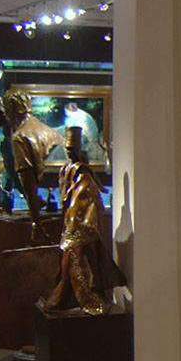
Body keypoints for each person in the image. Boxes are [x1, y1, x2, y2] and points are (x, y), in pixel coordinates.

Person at [44, 127, 125, 315]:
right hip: (71, 225)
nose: (69, 152)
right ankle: (70, 294)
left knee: (78, 261)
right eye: (67, 148)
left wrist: (80, 222)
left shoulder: (84, 174)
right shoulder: (67, 169)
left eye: (71, 148)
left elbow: (86, 200)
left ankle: (86, 297)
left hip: (81, 226)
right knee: (73, 262)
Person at [3, 89, 63, 244]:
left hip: (45, 223)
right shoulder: (50, 131)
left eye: (6, 109)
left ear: (11, 109)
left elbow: (28, 183)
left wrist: (36, 223)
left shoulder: (19, 137)